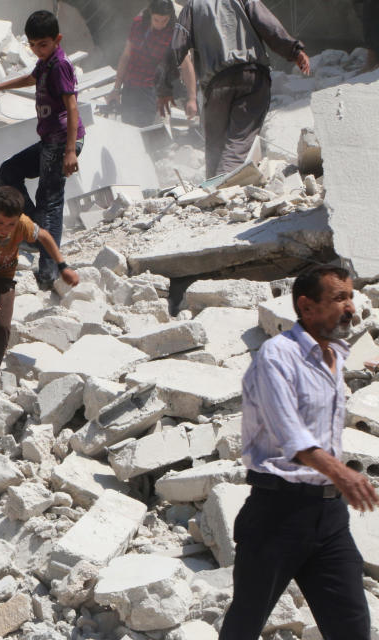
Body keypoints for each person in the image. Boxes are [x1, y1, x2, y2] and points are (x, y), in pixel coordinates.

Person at [220, 265, 378, 640]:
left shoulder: (336, 355)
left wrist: (337, 483)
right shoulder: (277, 355)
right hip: (277, 514)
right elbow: (290, 434)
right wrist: (342, 472)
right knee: (245, 623)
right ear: (306, 307)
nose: (350, 307)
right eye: (339, 298)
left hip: (329, 515)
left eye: (351, 297)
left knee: (352, 626)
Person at [0, 10, 85, 291]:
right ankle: (34, 233)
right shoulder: (45, 63)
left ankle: (49, 272)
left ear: (57, 39)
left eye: (42, 44)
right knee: (10, 171)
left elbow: (72, 108)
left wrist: (70, 151)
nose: (37, 50)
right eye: (32, 45)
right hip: (49, 141)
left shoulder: (60, 65)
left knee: (50, 201)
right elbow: (30, 78)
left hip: (61, 142)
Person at [156, 0, 311, 179]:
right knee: (239, 141)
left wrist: (163, 88)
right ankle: (223, 187)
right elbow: (268, 25)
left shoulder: (192, 7)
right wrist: (294, 51)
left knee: (215, 146)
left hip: (216, 86)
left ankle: (212, 193)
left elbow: (176, 47)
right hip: (251, 78)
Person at [0, 186, 79, 387]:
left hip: (5, 274)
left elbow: (46, 237)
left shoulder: (23, 224)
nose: (4, 229)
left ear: (19, 218)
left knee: (3, 325)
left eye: (10, 224)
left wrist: (63, 266)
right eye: (0, 223)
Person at [107, 0, 197, 126]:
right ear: (150, 14)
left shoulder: (174, 34)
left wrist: (192, 98)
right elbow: (126, 56)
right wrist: (116, 89)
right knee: (128, 130)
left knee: (148, 134)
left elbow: (186, 66)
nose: (160, 25)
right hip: (130, 88)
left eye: (164, 21)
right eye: (156, 20)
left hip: (153, 92)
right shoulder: (138, 25)